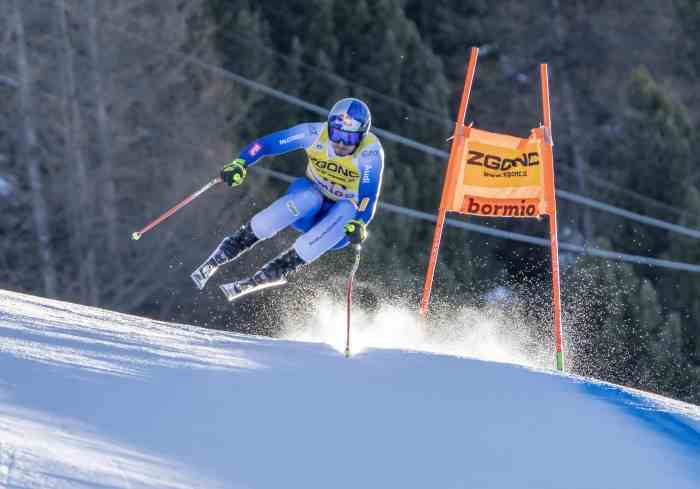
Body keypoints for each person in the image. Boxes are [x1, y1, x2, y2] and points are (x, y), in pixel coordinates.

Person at [191, 97, 385, 302]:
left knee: (349, 209)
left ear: (362, 137)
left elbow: (368, 196)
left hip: (336, 221)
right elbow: (264, 145)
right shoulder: (313, 133)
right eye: (336, 134)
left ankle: (279, 269)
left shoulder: (370, 153)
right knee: (310, 197)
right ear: (329, 128)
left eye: (350, 139)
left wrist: (360, 222)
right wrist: (240, 163)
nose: (341, 143)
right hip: (308, 204)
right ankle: (230, 247)